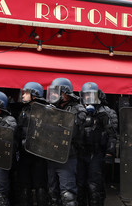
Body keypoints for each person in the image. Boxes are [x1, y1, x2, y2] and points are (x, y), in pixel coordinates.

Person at [46, 78, 86, 206]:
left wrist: (55, 115)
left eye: (56, 92)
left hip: (67, 157)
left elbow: (71, 131)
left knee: (67, 195)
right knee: (53, 193)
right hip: (51, 155)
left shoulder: (78, 109)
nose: (53, 95)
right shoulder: (51, 109)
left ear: (65, 93)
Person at [77, 82, 117, 206]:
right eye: (86, 95)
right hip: (81, 153)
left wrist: (110, 153)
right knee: (80, 187)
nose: (88, 98)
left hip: (97, 153)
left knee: (94, 187)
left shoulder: (106, 112)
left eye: (91, 95)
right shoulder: (78, 111)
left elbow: (112, 134)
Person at [16, 82, 49, 205]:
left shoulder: (45, 111)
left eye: (26, 93)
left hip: (39, 154)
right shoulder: (24, 110)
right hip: (25, 154)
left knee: (40, 185)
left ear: (34, 95)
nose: (23, 95)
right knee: (24, 185)